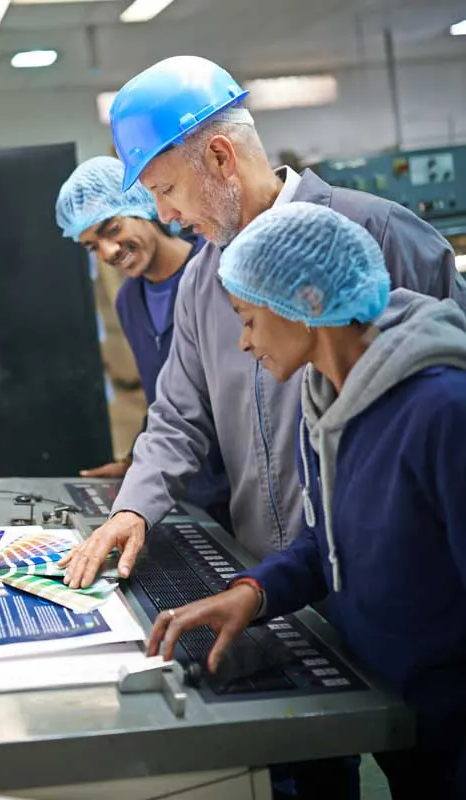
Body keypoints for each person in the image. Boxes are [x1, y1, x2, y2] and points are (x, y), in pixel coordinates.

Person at [147, 201, 466, 799]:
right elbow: (333, 540)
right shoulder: (326, 400)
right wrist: (252, 593)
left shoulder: (441, 410)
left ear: (309, 304)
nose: (243, 344)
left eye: (247, 319)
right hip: (396, 712)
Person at [55, 156, 230, 526]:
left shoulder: (217, 269)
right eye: (91, 246)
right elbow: (163, 399)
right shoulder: (129, 301)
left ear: (143, 205)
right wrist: (135, 461)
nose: (108, 252)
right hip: (185, 490)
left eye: (112, 229)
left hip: (240, 484)